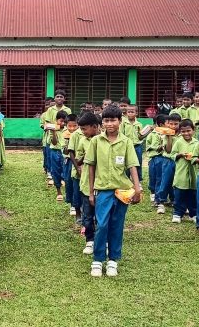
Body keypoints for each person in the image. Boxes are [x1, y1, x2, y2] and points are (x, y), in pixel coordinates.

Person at [84, 105, 141, 277]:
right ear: (102, 123)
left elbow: (132, 166)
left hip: (122, 191)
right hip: (102, 190)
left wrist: (137, 189)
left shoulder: (126, 142)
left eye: (113, 120)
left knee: (117, 225)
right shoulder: (96, 141)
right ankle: (97, 259)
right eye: (106, 120)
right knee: (101, 224)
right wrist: (90, 191)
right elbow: (91, 167)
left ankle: (113, 260)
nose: (109, 124)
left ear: (120, 121)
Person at [74, 112, 100, 255]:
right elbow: (77, 160)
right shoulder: (83, 141)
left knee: (101, 215)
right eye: (81, 129)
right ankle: (89, 240)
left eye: (85, 129)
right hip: (86, 184)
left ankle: (102, 240)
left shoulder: (104, 140)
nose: (83, 132)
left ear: (95, 127)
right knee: (88, 215)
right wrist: (87, 155)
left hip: (101, 183)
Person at [169, 119, 198, 224]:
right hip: (181, 174)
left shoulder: (197, 143)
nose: (186, 133)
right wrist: (180, 154)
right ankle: (177, 214)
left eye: (188, 131)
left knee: (193, 196)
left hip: (193, 174)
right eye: (183, 131)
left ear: (193, 130)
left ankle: (193, 214)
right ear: (180, 132)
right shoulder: (178, 142)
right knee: (179, 195)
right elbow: (172, 155)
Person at [155, 113, 181, 214]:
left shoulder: (182, 134)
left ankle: (175, 200)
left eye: (176, 124)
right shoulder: (165, 135)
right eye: (171, 124)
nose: (173, 126)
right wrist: (169, 136)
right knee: (165, 181)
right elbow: (169, 150)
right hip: (168, 161)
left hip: (179, 161)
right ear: (167, 124)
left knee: (177, 182)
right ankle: (161, 202)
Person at [61, 114, 80, 216]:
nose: (72, 128)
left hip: (79, 161)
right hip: (68, 160)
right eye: (70, 126)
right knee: (68, 181)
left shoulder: (80, 134)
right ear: (66, 125)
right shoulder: (64, 134)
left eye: (75, 126)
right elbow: (64, 150)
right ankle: (72, 204)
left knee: (77, 182)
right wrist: (69, 142)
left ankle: (78, 203)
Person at [121, 105, 146, 181]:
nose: (130, 114)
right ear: (126, 113)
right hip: (127, 146)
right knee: (126, 163)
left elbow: (140, 136)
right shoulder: (123, 123)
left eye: (132, 112)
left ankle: (138, 180)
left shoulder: (139, 124)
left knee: (138, 163)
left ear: (136, 113)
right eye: (129, 112)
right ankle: (126, 179)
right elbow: (121, 134)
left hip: (137, 146)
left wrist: (147, 132)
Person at [47, 110, 68, 201]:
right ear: (56, 120)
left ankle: (67, 191)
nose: (63, 123)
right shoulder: (52, 129)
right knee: (55, 171)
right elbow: (54, 142)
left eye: (64, 121)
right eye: (61, 121)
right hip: (55, 151)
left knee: (66, 171)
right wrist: (54, 132)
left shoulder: (68, 129)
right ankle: (58, 191)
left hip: (65, 153)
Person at [145, 114, 167, 204]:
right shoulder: (152, 134)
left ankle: (160, 196)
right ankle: (153, 193)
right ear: (162, 124)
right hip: (154, 158)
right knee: (153, 177)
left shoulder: (167, 134)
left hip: (164, 158)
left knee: (161, 178)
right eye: (167, 123)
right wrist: (157, 147)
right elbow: (148, 146)